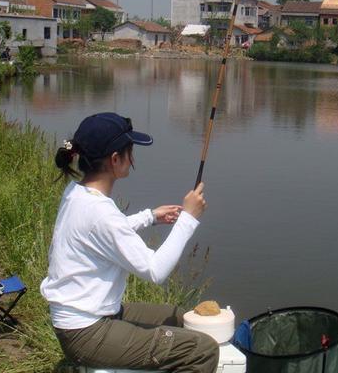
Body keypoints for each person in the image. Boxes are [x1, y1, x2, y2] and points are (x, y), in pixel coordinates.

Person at [41, 112, 219, 373]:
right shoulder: (101, 212)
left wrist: (150, 217)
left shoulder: (77, 192)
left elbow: (102, 233)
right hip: (86, 332)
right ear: (115, 159)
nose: (133, 159)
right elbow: (155, 270)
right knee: (202, 351)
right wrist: (188, 219)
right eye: (130, 152)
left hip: (87, 318)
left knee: (180, 317)